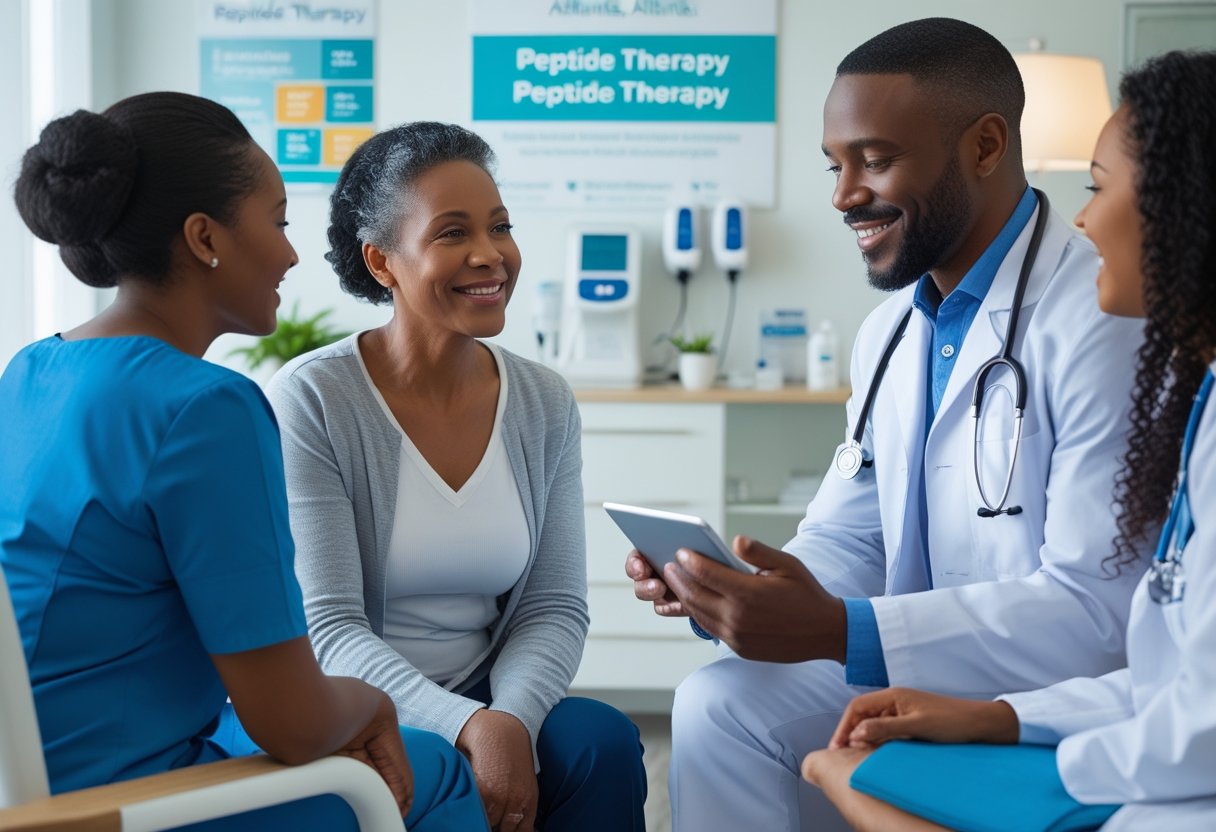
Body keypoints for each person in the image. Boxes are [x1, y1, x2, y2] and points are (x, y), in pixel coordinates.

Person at [625, 18, 1148, 831]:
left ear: (983, 146)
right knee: (719, 705)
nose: (843, 196)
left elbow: (1094, 611)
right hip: (918, 656)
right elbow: (852, 537)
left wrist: (842, 629)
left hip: (1049, 687)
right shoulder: (893, 330)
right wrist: (745, 594)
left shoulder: (1102, 316)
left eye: (875, 160)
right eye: (835, 166)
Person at [0, 92, 489, 832]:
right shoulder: (204, 409)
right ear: (204, 238)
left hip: (25, 788)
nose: (292, 253)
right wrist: (375, 701)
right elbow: (290, 722)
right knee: (439, 769)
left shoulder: (32, 371)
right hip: (116, 806)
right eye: (278, 221)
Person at [803, 48, 1216, 832]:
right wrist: (995, 723)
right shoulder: (1205, 409)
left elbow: (1166, 688)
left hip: (1148, 770)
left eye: (1098, 188)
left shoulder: (1102, 329)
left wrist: (1039, 755)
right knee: (744, 709)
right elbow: (1178, 675)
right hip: (1131, 742)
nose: (1085, 218)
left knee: (854, 780)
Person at [264, 121, 647, 832]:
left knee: (601, 742)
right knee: (434, 770)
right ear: (382, 263)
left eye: (499, 226)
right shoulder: (315, 398)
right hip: (361, 703)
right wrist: (467, 726)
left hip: (492, 689)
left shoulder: (542, 400)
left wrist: (507, 719)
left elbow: (553, 606)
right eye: (452, 233)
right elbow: (329, 627)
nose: (490, 255)